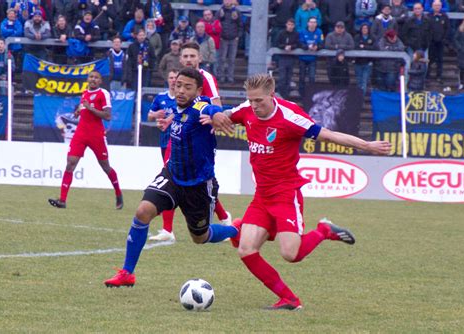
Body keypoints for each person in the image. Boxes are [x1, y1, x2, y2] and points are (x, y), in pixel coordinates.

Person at [207, 73, 391, 310]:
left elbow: (329, 135)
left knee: (291, 254)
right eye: (250, 100)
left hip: (285, 194)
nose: (253, 106)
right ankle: (289, 299)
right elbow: (224, 114)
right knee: (246, 249)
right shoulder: (248, 109)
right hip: (262, 195)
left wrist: (367, 145)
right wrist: (213, 115)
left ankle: (324, 230)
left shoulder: (291, 117)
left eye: (259, 101)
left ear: (272, 96)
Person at [104, 68, 239, 287]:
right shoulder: (176, 109)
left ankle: (236, 230)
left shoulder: (199, 107)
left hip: (198, 184)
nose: (181, 91)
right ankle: (127, 272)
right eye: (179, 85)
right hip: (172, 176)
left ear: (198, 90)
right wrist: (169, 121)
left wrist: (217, 115)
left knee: (200, 237)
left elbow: (209, 108)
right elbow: (180, 117)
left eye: (188, 87)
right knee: (142, 211)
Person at [148, 42, 232, 241]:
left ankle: (224, 217)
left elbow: (215, 104)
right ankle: (168, 230)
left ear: (199, 58)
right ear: (180, 59)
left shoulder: (206, 78)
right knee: (172, 173)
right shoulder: (182, 78)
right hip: (179, 134)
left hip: (199, 137)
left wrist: (214, 118)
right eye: (185, 56)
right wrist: (169, 120)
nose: (188, 60)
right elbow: (181, 109)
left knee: (200, 181)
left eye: (192, 56)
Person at [48, 70, 123, 210]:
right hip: (81, 134)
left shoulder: (103, 93)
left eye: (96, 77)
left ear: (100, 81)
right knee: (70, 164)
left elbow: (107, 116)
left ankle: (118, 193)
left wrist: (89, 108)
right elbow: (85, 109)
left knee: (105, 167)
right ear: (87, 79)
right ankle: (62, 200)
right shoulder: (85, 93)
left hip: (96, 135)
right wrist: (79, 112)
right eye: (91, 77)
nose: (93, 79)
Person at [147, 69, 178, 242]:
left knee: (169, 182)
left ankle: (168, 229)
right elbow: (150, 115)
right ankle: (224, 217)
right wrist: (155, 115)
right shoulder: (160, 98)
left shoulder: (183, 99)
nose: (173, 80)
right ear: (167, 80)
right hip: (165, 143)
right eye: (171, 78)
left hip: (178, 144)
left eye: (176, 78)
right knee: (171, 181)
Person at [216, 0, 243, 83]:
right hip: (223, 38)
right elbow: (216, 23)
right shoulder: (220, 11)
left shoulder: (236, 11)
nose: (227, 1)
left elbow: (240, 25)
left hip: (233, 38)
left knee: (232, 59)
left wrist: (238, 36)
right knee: (222, 58)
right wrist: (219, 35)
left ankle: (230, 77)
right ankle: (221, 77)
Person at [298, 16, 323, 96]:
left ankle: (310, 93)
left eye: (314, 22)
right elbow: (300, 43)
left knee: (312, 77)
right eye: (311, 22)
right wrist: (307, 47)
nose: (312, 24)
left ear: (316, 24)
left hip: (313, 58)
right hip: (303, 58)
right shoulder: (302, 32)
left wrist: (317, 47)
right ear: (308, 23)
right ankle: (301, 94)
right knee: (302, 77)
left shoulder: (320, 32)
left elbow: (322, 43)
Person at [427, 0, 450, 83]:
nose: (437, 7)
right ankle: (427, 76)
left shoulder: (445, 16)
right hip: (431, 42)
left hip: (441, 41)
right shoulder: (428, 16)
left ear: (441, 6)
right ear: (432, 6)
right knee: (429, 59)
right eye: (435, 5)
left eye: (438, 5)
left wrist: (444, 39)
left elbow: (447, 29)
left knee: (440, 59)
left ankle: (439, 76)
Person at [276, 18, 299, 99]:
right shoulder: (281, 33)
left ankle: (286, 96)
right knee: (282, 77)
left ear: (294, 26)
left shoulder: (296, 34)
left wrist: (291, 47)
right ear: (286, 25)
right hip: (282, 57)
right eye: (289, 24)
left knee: (288, 78)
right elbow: (277, 43)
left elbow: (297, 44)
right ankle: (280, 94)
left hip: (291, 57)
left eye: (292, 25)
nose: (290, 26)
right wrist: (284, 47)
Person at [454, 13, 464, 92]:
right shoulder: (460, 29)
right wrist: (459, 48)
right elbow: (455, 39)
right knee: (462, 70)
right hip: (463, 54)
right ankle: (462, 85)